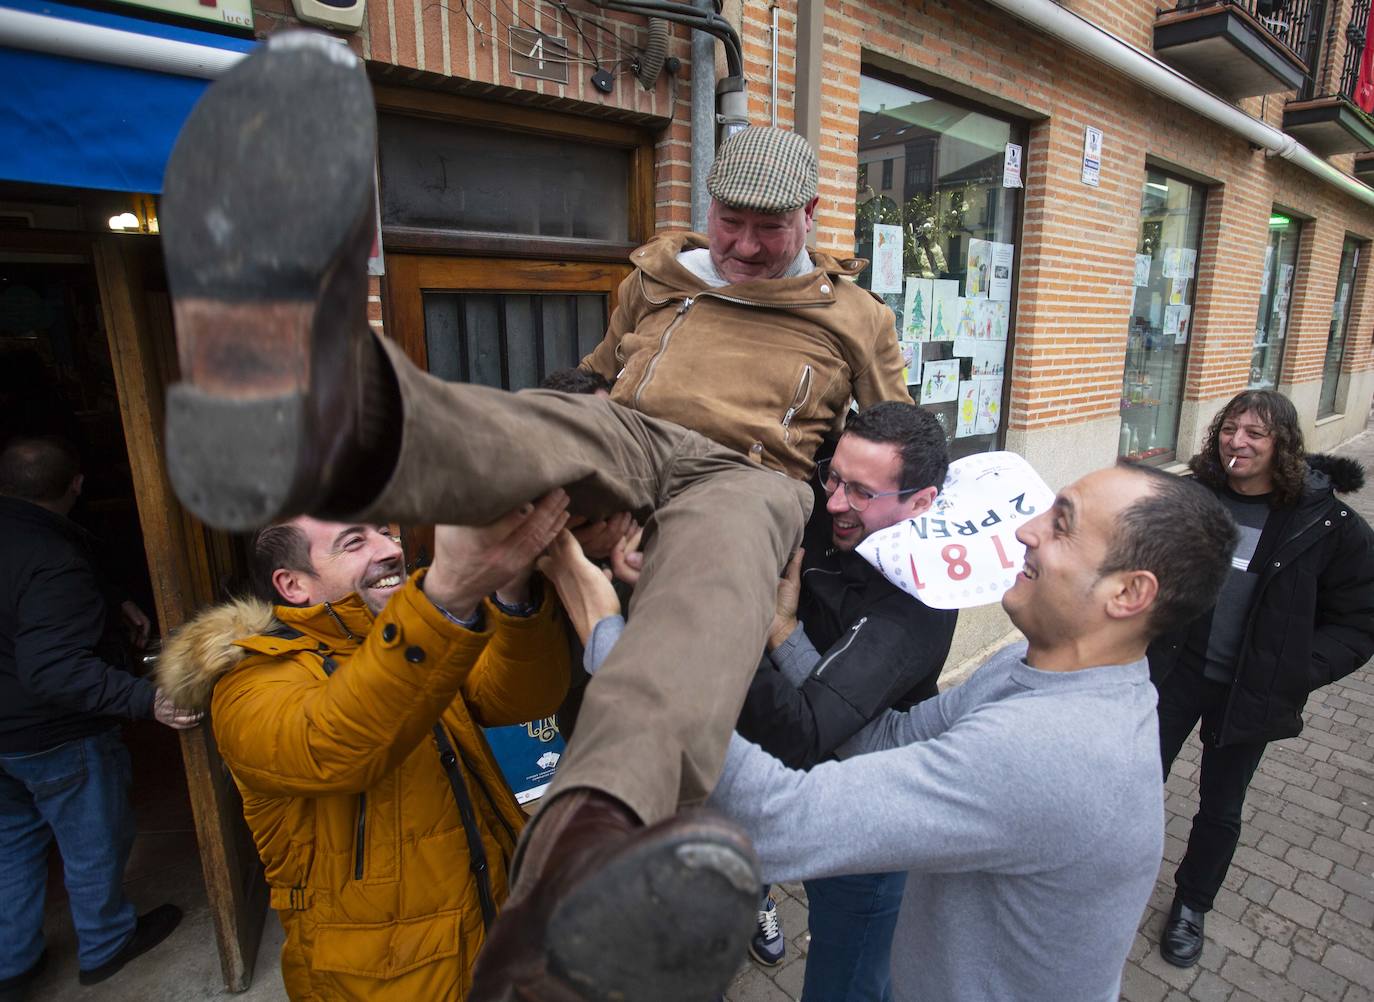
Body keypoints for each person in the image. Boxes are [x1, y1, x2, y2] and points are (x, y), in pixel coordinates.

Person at [157, 31, 907, 1002]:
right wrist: (568, 406)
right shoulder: (661, 276)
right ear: (707, 210)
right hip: (628, 435)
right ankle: (326, 410)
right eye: (732, 222)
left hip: (750, 472)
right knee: (530, 424)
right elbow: (596, 375)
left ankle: (589, 848)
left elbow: (891, 433)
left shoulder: (855, 316)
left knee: (705, 606)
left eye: (772, 227)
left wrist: (839, 533)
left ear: (810, 216)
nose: (750, 245)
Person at [695, 462, 1237, 1002]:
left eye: (1062, 524)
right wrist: (783, 632)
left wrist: (643, 642)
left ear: (1127, 593)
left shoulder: (1050, 749)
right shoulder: (1029, 668)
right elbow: (889, 738)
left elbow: (777, 820)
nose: (1027, 529)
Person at [154, 496, 573, 1000]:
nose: (389, 548)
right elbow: (336, 745)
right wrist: (444, 596)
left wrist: (511, 589)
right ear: (294, 585)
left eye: (383, 531)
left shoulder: (412, 636)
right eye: (354, 542)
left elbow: (525, 698)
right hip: (387, 975)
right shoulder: (247, 685)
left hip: (495, 921)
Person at [734, 402, 956, 998]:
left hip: (864, 817)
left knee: (847, 982)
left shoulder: (920, 601)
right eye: (833, 476)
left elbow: (809, 728)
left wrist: (767, 628)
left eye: (861, 492)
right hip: (768, 783)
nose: (833, 502)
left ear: (922, 501)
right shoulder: (830, 506)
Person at [1149, 390, 1374, 968]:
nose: (1237, 442)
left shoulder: (1326, 523)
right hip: (1175, 673)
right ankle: (1108, 879)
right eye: (1229, 429)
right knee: (1137, 782)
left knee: (1220, 806)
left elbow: (1359, 620)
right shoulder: (1192, 498)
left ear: (1284, 445)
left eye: (1255, 433)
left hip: (1251, 689)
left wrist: (1298, 671)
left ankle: (1191, 905)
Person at [0, 437, 200, 1000]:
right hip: (53, 735)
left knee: (12, 843)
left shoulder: (38, 549)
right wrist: (147, 700)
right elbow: (53, 669)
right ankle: (107, 942)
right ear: (78, 485)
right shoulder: (55, 558)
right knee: (93, 839)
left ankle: (12, 963)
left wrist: (108, 598)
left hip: (4, 735)